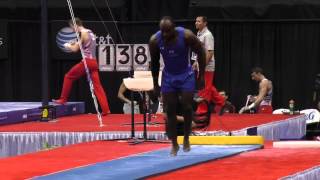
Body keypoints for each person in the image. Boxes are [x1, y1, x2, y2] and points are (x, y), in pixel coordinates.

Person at [149, 16, 206, 156]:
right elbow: (155, 63)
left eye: (168, 31)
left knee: (187, 106)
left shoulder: (186, 35)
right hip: (168, 77)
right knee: (170, 111)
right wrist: (155, 83)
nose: (165, 35)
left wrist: (202, 75)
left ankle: (186, 137)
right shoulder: (155, 41)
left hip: (186, 75)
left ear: (173, 29)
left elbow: (201, 52)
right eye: (162, 32)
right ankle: (174, 143)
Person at [53, 18, 110, 115]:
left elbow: (75, 49)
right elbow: (84, 44)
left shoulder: (82, 33)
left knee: (68, 76)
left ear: (75, 25)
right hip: (94, 62)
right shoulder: (90, 32)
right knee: (98, 87)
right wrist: (74, 43)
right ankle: (106, 109)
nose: (73, 30)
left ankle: (63, 99)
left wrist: (68, 45)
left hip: (87, 62)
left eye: (72, 28)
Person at [191, 16, 225, 114]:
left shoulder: (208, 35)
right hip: (201, 63)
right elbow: (199, 51)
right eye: (196, 21)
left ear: (205, 23)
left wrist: (202, 65)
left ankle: (202, 109)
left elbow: (210, 53)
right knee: (208, 86)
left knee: (204, 87)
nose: (196, 23)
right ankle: (222, 102)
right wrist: (196, 62)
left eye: (199, 21)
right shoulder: (198, 34)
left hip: (207, 65)